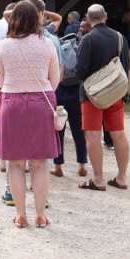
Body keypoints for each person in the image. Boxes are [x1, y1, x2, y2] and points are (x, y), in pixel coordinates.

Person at [0, 0, 60, 229]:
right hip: (41, 102)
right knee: (40, 163)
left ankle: (20, 214)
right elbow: (55, 79)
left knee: (15, 163)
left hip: (12, 101)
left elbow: (1, 80)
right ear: (37, 18)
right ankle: (40, 214)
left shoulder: (3, 45)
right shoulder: (47, 45)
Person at [76, 4, 130, 192]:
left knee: (92, 135)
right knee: (118, 133)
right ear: (105, 16)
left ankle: (98, 179)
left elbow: (81, 71)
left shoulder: (87, 39)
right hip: (115, 93)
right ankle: (122, 177)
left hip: (92, 95)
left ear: (88, 19)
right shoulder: (119, 37)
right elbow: (126, 66)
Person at [52, 30, 88, 179]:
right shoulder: (79, 46)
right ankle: (82, 164)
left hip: (60, 91)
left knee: (58, 130)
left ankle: (58, 166)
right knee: (78, 130)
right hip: (77, 91)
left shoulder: (56, 45)